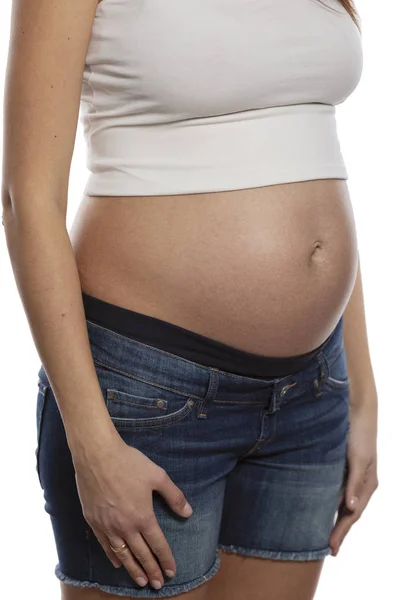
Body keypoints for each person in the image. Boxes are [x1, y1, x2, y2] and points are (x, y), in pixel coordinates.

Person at [2, 1, 378, 599]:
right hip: (147, 391)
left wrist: (362, 396)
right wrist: (93, 445)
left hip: (312, 393)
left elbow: (311, 159)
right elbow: (26, 202)